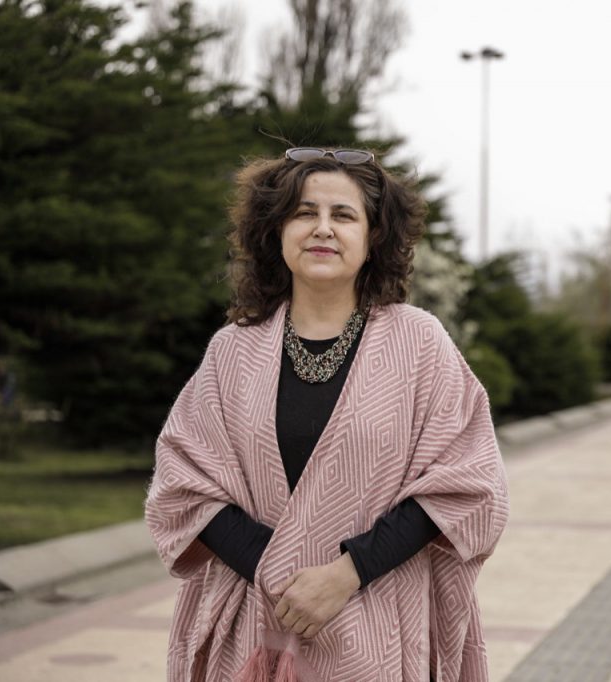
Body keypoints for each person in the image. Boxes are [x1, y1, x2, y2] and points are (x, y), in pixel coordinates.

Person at [145, 147, 510, 682]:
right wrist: (283, 579)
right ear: (277, 231)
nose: (322, 228)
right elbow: (183, 484)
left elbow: (467, 482)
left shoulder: (419, 343)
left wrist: (346, 574)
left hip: (378, 626)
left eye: (343, 215)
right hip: (254, 627)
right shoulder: (232, 351)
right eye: (303, 213)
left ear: (374, 236)